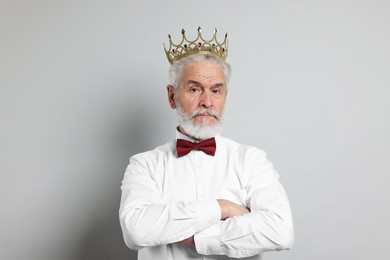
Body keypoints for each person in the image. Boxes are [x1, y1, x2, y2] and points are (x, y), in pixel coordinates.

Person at [119, 27, 294, 260]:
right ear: (172, 96)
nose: (207, 102)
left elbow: (280, 231)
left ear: (225, 96)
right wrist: (222, 208)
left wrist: (193, 236)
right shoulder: (144, 165)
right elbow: (136, 231)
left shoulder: (252, 160)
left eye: (216, 91)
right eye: (194, 89)